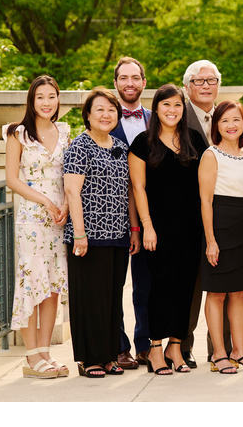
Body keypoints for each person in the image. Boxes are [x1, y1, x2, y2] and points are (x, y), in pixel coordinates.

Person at [128, 84, 207, 374]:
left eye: (177, 105)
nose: (172, 111)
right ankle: (156, 349)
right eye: (166, 105)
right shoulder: (142, 143)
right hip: (157, 228)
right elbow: (138, 187)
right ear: (156, 109)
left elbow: (206, 185)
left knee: (185, 287)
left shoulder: (195, 140)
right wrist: (146, 226)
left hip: (190, 227)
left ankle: (176, 346)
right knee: (158, 288)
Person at [63, 88, 141, 378]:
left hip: (118, 234)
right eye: (100, 110)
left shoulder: (120, 146)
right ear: (88, 115)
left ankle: (109, 355)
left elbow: (129, 192)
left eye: (111, 110)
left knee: (110, 298)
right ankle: (89, 359)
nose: (106, 115)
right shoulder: (79, 146)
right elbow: (72, 191)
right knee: (89, 298)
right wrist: (80, 234)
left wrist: (133, 229)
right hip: (88, 236)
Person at [3, 75, 70, 378]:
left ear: (58, 100)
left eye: (51, 96)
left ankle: (45, 352)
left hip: (59, 218)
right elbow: (12, 179)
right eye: (40, 97)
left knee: (53, 285)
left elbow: (70, 176)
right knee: (32, 282)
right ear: (31, 100)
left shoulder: (65, 131)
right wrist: (44, 200)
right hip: (32, 216)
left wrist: (66, 207)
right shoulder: (18, 133)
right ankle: (31, 356)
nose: (46, 102)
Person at [197, 100, 243, 374]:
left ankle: (240, 351)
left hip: (242, 229)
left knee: (240, 292)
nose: (231, 125)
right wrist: (211, 240)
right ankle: (219, 353)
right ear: (217, 125)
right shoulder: (210, 155)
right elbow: (205, 201)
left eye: (236, 120)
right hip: (218, 225)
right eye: (225, 120)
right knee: (216, 293)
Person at [181, 59, 224, 368]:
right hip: (188, 215)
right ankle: (182, 346)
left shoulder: (226, 118)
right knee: (190, 285)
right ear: (187, 87)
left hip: (225, 214)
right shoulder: (177, 118)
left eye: (211, 81)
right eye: (199, 81)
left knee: (222, 283)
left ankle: (220, 348)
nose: (206, 86)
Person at [110, 56, 150, 369]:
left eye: (135, 77)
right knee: (112, 286)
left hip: (148, 216)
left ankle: (146, 344)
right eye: (124, 78)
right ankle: (118, 347)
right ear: (116, 83)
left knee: (145, 285)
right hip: (111, 216)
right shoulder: (105, 120)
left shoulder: (157, 118)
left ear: (144, 82)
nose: (130, 83)